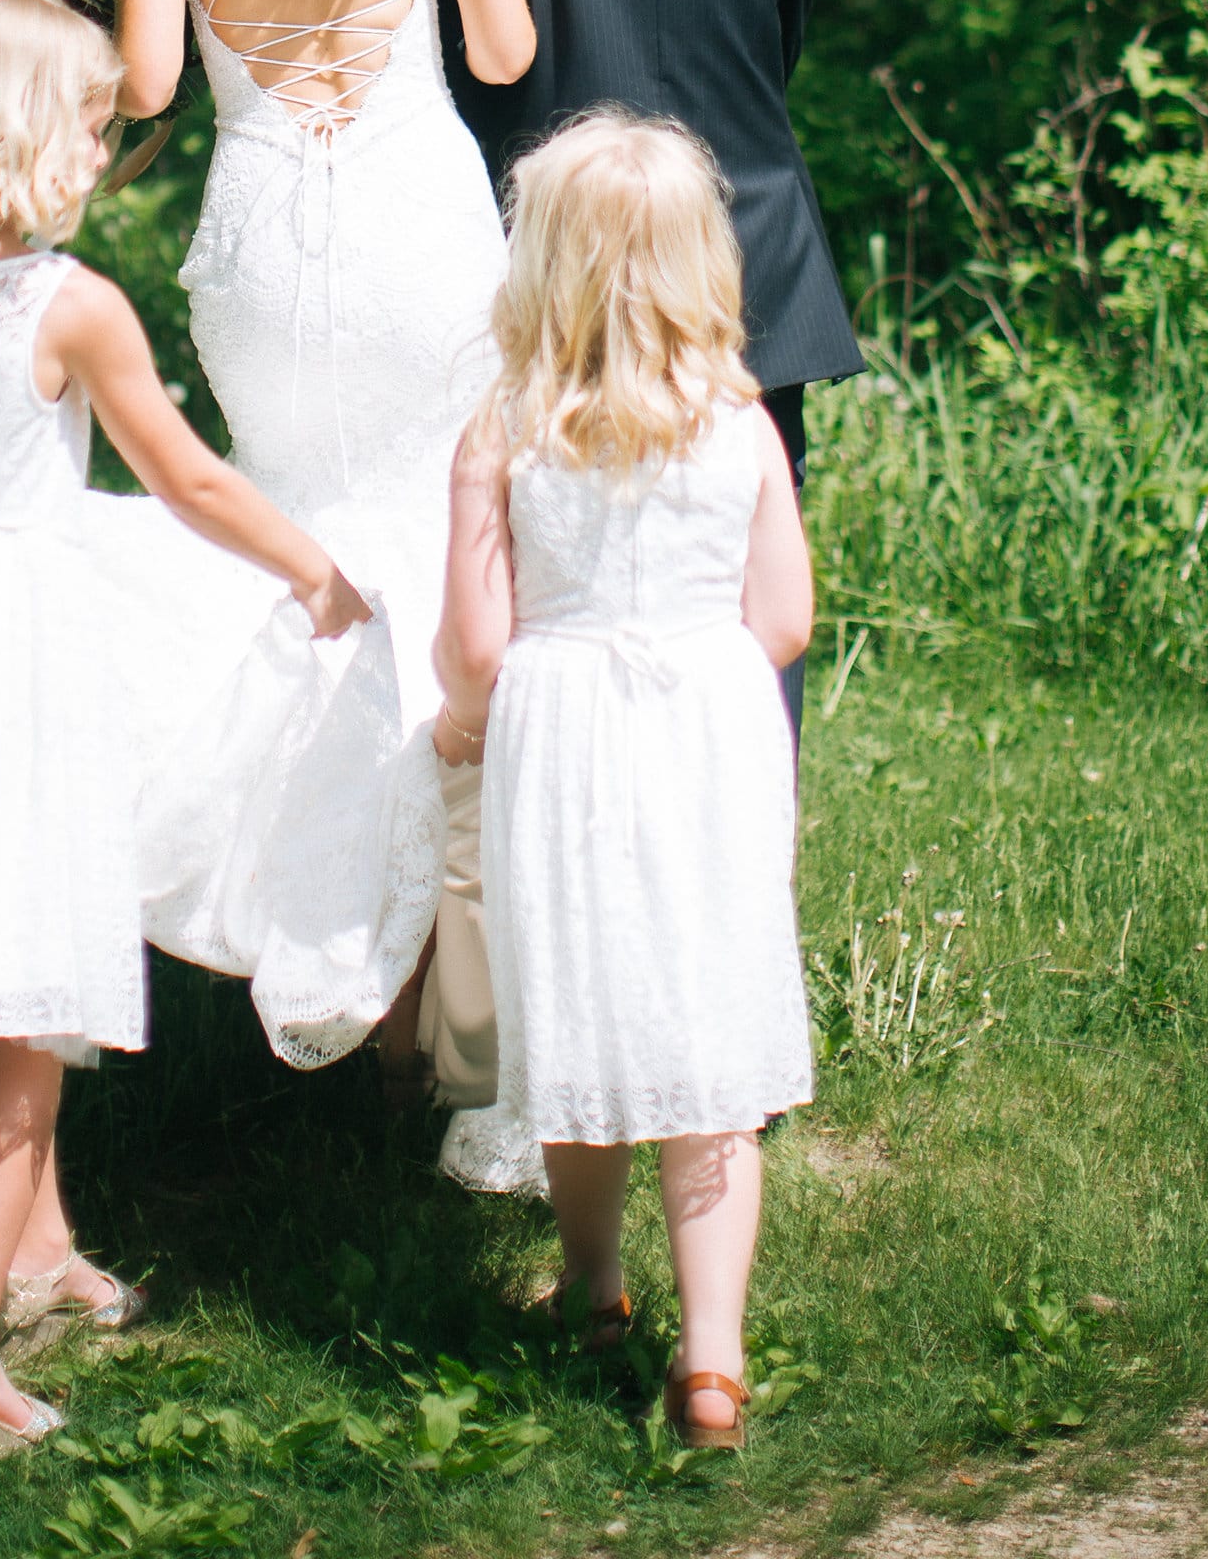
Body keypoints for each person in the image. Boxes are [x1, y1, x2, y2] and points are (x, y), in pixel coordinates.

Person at [0, 0, 368, 1477]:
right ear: (30, 131)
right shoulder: (65, 306)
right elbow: (189, 481)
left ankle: (41, 1262)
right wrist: (316, 570)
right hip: (21, 656)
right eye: (95, 129)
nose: (106, 156)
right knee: (31, 1015)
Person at [102, 0, 537, 1083]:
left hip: (264, 241)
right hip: (420, 226)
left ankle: (282, 926)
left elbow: (151, 77)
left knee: (291, 566)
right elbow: (499, 53)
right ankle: (443, 997)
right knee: (443, 551)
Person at [432, 114, 814, 1451]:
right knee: (711, 1044)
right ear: (701, 264)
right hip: (706, 734)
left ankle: (594, 1287)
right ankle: (712, 1364)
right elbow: (787, 619)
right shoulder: (740, 424)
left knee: (581, 1025)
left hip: (568, 740)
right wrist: (695, 674)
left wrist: (462, 719)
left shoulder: (506, 431)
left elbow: (478, 648)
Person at [442, 0, 860, 733]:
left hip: (544, 247)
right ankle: (738, 846)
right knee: (743, 576)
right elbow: (783, 35)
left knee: (529, 581)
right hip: (742, 250)